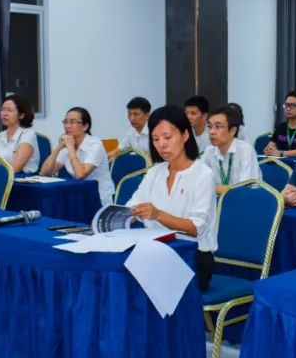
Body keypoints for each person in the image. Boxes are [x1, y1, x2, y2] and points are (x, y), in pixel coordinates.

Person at [127, 105, 218, 290]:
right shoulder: (154, 172)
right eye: (155, 139)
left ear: (185, 135)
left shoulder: (202, 174)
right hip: (154, 251)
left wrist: (158, 215)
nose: (161, 144)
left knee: (133, 283)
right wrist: (117, 216)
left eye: (167, 137)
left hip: (191, 256)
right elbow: (133, 206)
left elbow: (195, 228)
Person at [39, 106, 114, 205]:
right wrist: (58, 148)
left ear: (85, 126)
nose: (67, 126)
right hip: (78, 196)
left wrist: (70, 148)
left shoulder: (95, 145)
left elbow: (80, 174)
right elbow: (44, 173)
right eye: (65, 122)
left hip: (99, 197)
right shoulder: (67, 143)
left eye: (72, 122)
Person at [201, 105, 260, 196]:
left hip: (245, 201)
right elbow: (199, 182)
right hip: (216, 201)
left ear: (232, 130)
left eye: (218, 126)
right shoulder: (209, 151)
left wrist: (214, 189)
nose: (211, 132)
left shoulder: (245, 150)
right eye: (210, 126)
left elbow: (245, 189)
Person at [0, 95, 39, 174]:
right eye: (3, 110)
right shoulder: (0, 136)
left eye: (9, 110)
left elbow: (15, 168)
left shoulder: (28, 135)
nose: (4, 114)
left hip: (22, 177)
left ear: (21, 115)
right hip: (2, 174)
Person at [264, 91, 296, 158]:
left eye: (292, 106)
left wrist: (282, 153)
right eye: (286, 105)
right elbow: (269, 147)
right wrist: (268, 150)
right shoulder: (280, 127)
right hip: (280, 162)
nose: (288, 109)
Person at [109, 96, 151, 160]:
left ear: (147, 115)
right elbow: (118, 150)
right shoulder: (131, 131)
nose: (132, 118)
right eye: (129, 114)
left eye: (136, 114)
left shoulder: (154, 132)